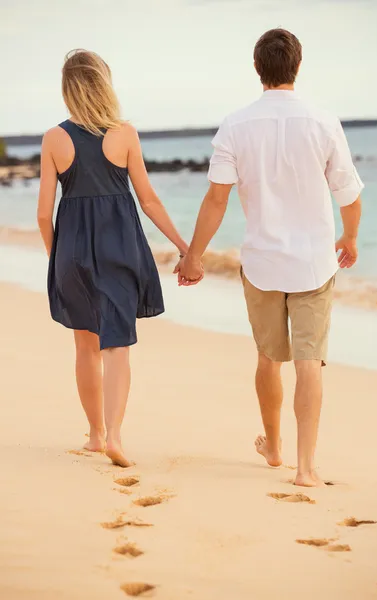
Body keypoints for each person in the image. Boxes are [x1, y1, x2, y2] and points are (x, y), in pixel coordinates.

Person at [177, 29, 363, 487]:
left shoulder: (235, 125)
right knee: (309, 361)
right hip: (314, 263)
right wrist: (351, 238)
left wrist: (193, 256)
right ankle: (306, 468)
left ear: (258, 69)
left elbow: (217, 200)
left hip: (262, 264)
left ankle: (274, 447)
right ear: (297, 66)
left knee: (268, 358)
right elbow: (349, 193)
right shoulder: (323, 122)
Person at [37, 49, 194, 468]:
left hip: (71, 251)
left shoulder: (54, 138)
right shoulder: (125, 134)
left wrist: (58, 260)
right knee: (117, 347)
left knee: (85, 346)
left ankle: (94, 435)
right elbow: (149, 200)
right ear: (104, 84)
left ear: (69, 90)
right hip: (119, 247)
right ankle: (116, 437)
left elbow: (42, 213)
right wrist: (186, 247)